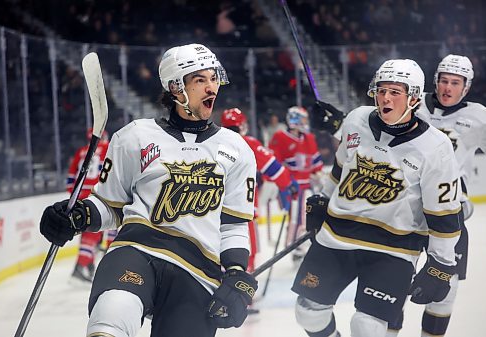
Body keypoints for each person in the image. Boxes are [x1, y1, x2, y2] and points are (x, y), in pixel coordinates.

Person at [40, 43, 258, 337]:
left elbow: (233, 226)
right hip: (137, 251)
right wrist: (77, 215)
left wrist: (235, 273)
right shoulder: (135, 136)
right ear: (175, 88)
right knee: (111, 318)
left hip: (198, 270)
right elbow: (110, 206)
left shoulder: (237, 149)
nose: (211, 88)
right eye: (200, 80)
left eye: (214, 78)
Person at [293, 59, 462, 337]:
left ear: (414, 98)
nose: (384, 98)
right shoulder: (356, 119)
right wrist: (323, 200)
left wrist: (441, 264)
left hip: (394, 248)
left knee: (367, 327)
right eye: (381, 90)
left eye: (395, 92)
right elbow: (340, 169)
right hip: (338, 234)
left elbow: (444, 212)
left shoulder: (436, 146)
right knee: (307, 312)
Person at [386, 54, 486, 337]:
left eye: (455, 82)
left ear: (466, 88)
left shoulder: (479, 117)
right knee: (393, 281)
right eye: (443, 80)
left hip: (447, 211)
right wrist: (338, 127)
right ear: (435, 81)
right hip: (404, 208)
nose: (447, 88)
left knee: (446, 286)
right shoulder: (412, 102)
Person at [220, 107, 298, 272]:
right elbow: (275, 169)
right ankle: (242, 287)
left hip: (215, 212)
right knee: (245, 251)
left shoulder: (212, 143)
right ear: (242, 126)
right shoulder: (248, 144)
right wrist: (287, 185)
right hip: (243, 212)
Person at [268, 106, 323, 260]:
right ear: (294, 120)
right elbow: (275, 163)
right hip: (292, 187)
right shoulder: (280, 137)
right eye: (303, 119)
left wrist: (318, 174)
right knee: (296, 218)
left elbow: (315, 163)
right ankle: (294, 246)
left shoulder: (309, 138)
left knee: (308, 218)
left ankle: (302, 245)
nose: (305, 123)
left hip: (308, 186)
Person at [66, 128, 117, 283]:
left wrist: (74, 194)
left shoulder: (82, 151)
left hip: (80, 194)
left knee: (89, 230)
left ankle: (87, 264)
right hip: (99, 193)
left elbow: (70, 178)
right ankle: (95, 265)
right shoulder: (109, 147)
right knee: (106, 227)